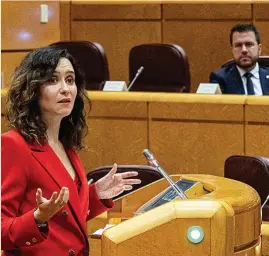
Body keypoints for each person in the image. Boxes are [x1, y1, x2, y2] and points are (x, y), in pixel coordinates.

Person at [1, 46, 141, 256]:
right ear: (32, 88)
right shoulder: (14, 145)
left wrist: (95, 195)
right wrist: (37, 218)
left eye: (70, 79)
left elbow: (66, 217)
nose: (65, 89)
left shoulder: (65, 144)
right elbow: (3, 230)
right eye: (52, 80)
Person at [209, 23, 269, 95]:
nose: (244, 50)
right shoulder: (220, 78)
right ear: (232, 50)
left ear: (259, 49)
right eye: (238, 45)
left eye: (249, 44)